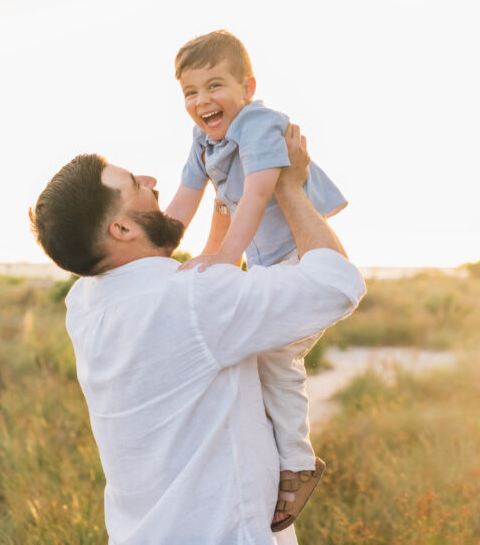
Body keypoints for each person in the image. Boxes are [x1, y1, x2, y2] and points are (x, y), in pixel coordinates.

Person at [29, 125, 365, 544]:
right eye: (136, 185)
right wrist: (290, 187)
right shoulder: (190, 300)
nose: (152, 182)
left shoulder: (84, 304)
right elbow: (337, 284)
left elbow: (184, 286)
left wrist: (225, 205)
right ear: (121, 230)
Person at [164, 31, 346, 530]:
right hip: (266, 263)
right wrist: (153, 254)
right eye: (189, 92)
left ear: (247, 87)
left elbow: (260, 191)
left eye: (214, 85)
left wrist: (226, 255)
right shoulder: (204, 138)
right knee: (255, 354)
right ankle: (268, 447)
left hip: (297, 255)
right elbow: (185, 199)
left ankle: (298, 462)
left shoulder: (260, 123)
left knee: (274, 354)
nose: (202, 101)